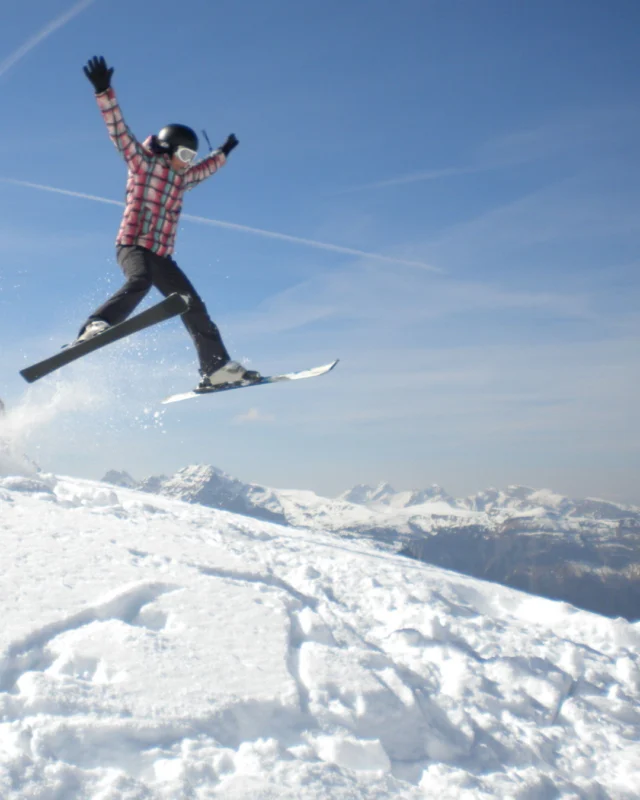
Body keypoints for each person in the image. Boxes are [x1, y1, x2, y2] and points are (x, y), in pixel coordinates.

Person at [76, 56, 259, 389]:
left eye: (191, 157)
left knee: (193, 305)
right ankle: (97, 323)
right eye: (184, 155)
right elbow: (119, 132)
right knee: (140, 280)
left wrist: (222, 153)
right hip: (132, 245)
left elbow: (205, 170)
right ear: (168, 148)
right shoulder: (142, 162)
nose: (187, 163)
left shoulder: (182, 178)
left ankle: (216, 368)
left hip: (162, 255)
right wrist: (104, 92)